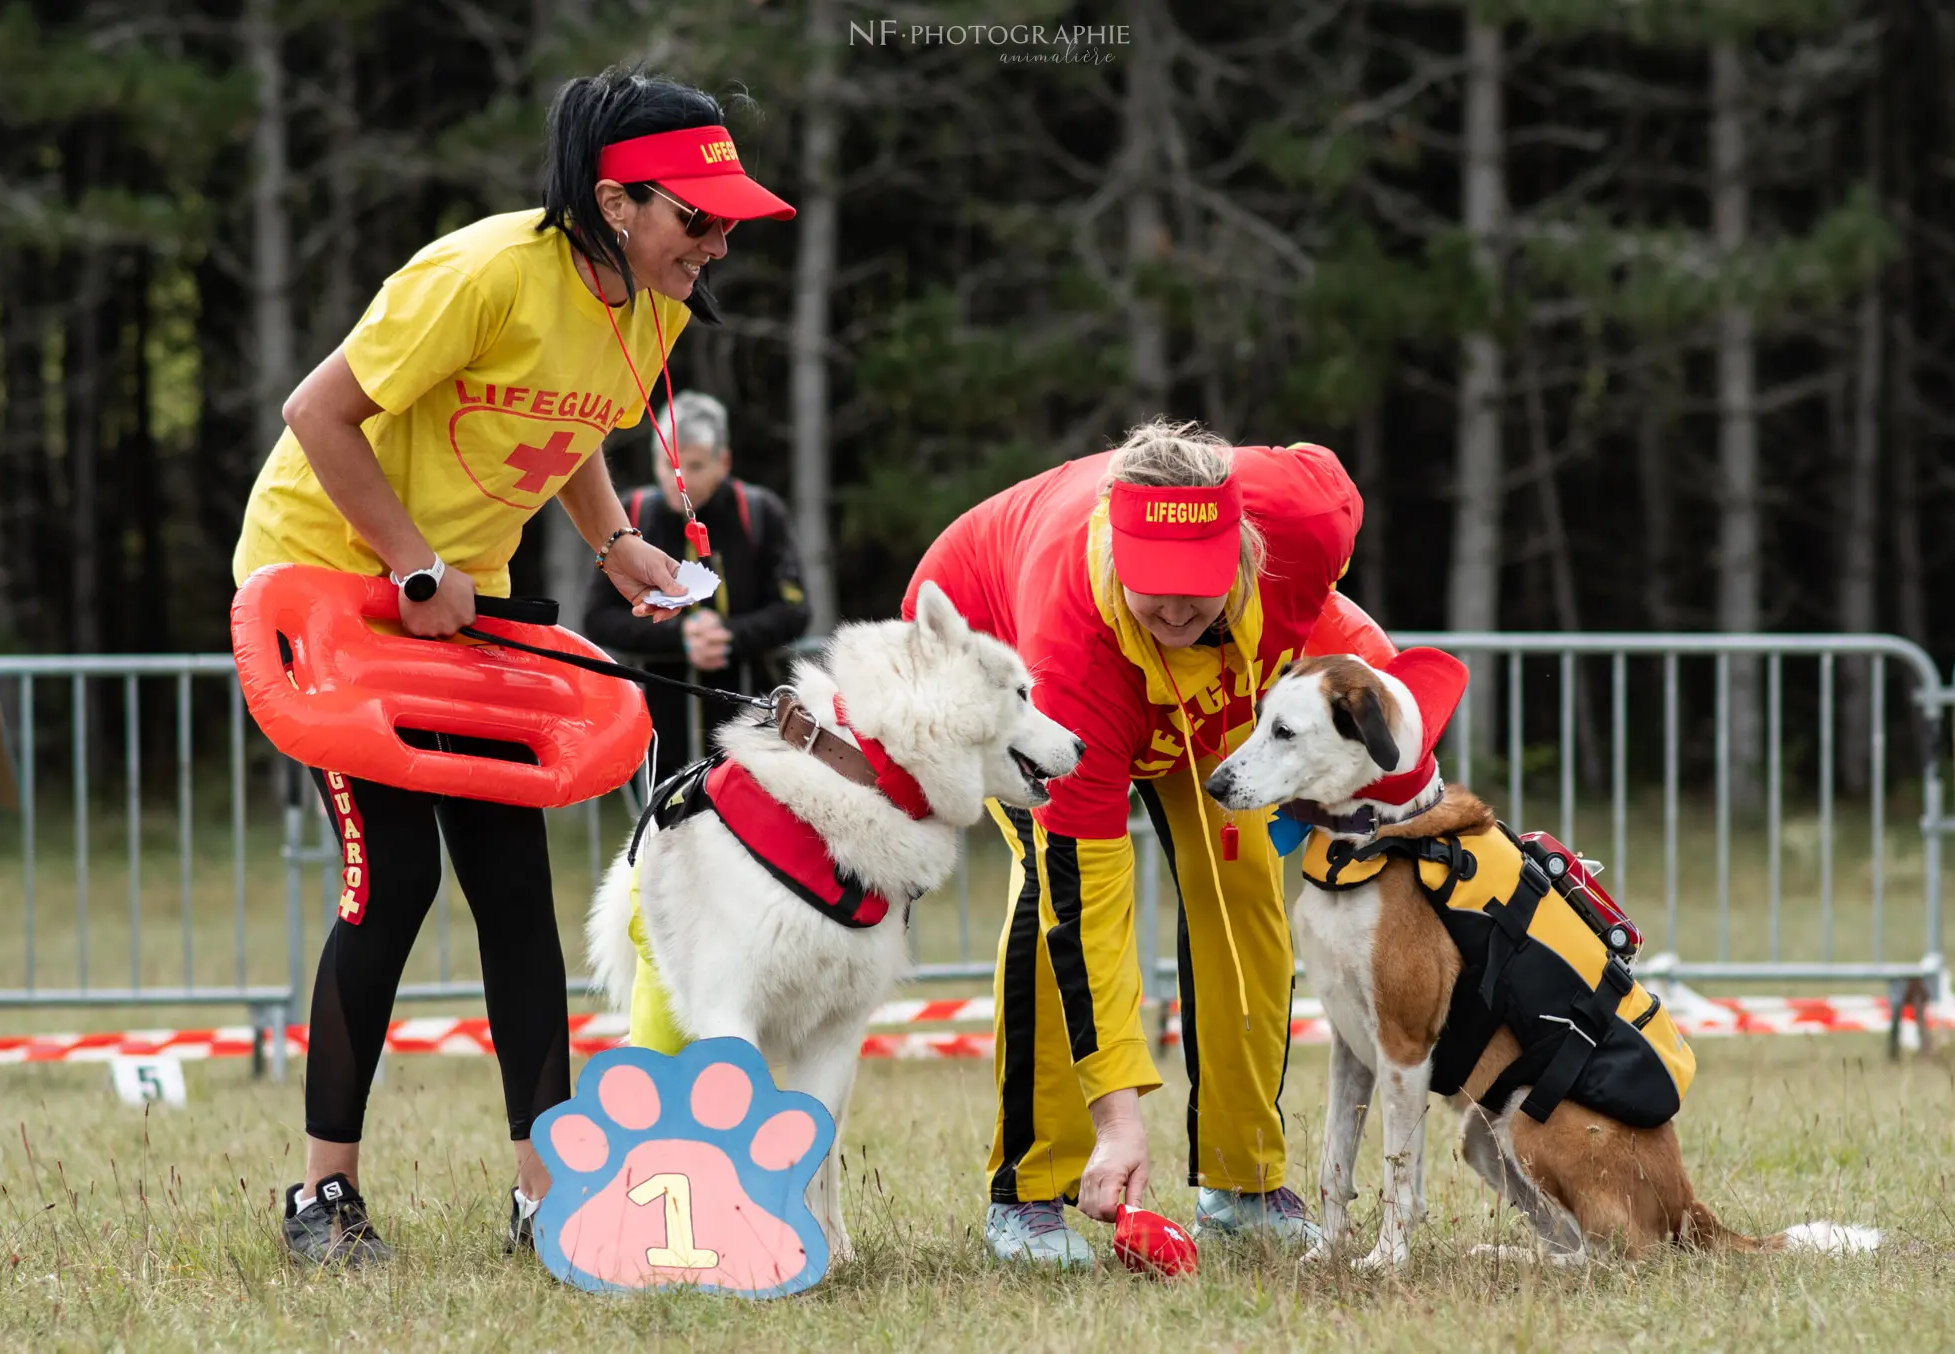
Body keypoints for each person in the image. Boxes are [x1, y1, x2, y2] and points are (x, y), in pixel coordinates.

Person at [230, 64, 794, 1268]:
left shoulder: (653, 307)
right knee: (395, 883)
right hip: (329, 591)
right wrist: (413, 562)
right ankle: (322, 1197)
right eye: (698, 219)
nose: (718, 243)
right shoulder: (481, 273)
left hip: (454, 607)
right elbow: (314, 413)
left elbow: (572, 424)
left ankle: (545, 1192)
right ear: (615, 201)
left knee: (512, 890)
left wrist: (616, 541)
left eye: (729, 220)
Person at [903, 419, 1394, 1268]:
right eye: (1152, 583)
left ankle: (1243, 1183)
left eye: (1196, 584)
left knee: (1242, 895)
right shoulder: (1066, 663)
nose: (1173, 606)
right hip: (1001, 662)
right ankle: (1031, 1195)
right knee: (1048, 905)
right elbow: (1086, 914)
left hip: (1200, 700)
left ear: (1242, 548)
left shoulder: (1303, 522)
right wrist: (1119, 1123)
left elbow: (1332, 504)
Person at [581, 390, 811, 764]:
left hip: (750, 714)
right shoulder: (631, 514)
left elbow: (794, 609)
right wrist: (681, 636)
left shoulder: (759, 512)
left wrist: (728, 635)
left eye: (696, 466)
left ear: (724, 461)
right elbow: (598, 618)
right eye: (668, 464)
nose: (679, 481)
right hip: (659, 717)